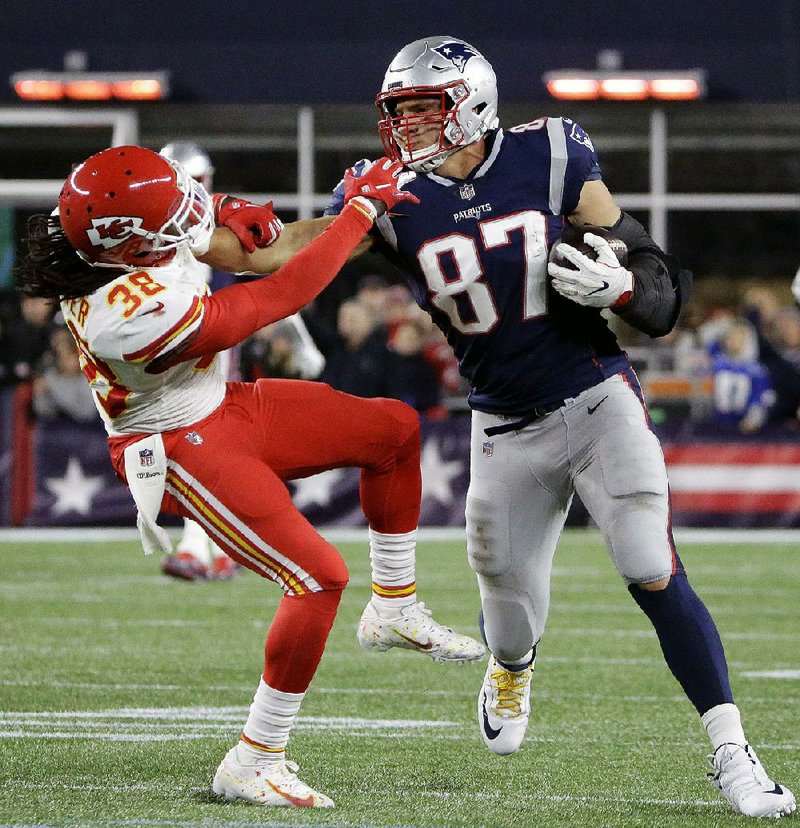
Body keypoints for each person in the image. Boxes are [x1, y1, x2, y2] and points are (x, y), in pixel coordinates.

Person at [324, 36, 795, 819]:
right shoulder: (390, 194)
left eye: (422, 108)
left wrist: (617, 287)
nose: (405, 127)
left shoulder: (549, 154)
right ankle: (513, 666)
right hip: (501, 426)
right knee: (507, 617)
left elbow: (659, 284)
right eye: (397, 111)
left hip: (595, 395)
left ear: (471, 103)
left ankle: (734, 752)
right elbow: (292, 257)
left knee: (650, 560)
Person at [15, 146, 485, 809]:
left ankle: (395, 607)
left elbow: (265, 253)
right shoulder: (120, 310)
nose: (189, 215)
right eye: (174, 212)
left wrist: (339, 218)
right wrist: (360, 210)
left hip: (221, 407)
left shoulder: (126, 234)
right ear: (129, 243)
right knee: (318, 575)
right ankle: (254, 759)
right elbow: (279, 294)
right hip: (176, 443)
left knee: (395, 431)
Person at [157, 141, 241, 581]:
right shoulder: (149, 233)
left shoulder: (215, 229)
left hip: (209, 353)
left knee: (200, 449)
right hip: (169, 355)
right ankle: (224, 547)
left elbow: (252, 292)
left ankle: (197, 547)